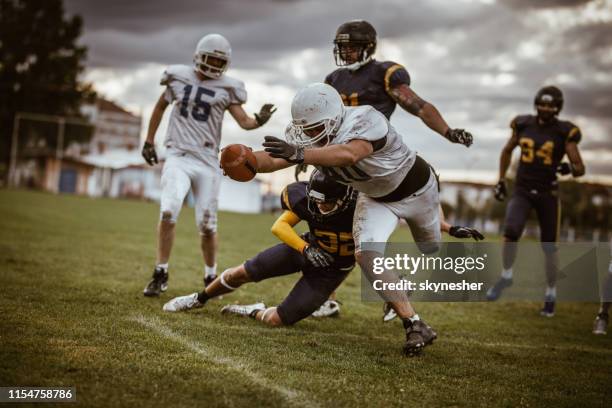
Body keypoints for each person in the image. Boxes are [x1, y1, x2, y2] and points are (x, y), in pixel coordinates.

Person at [256, 83, 475, 355]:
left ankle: (401, 282)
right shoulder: (316, 139)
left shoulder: (365, 118)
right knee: (365, 254)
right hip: (374, 198)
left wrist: (300, 153)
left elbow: (350, 153)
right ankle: (415, 324)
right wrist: (243, 161)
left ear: (334, 117)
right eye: (307, 130)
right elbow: (273, 159)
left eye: (314, 128)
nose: (310, 136)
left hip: (417, 192)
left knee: (430, 248)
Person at [311, 20, 482, 320]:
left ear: (368, 47)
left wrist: (448, 132)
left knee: (363, 241)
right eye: (342, 48)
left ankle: (392, 290)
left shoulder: (384, 74)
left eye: (351, 47)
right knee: (327, 226)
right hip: (340, 158)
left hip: (373, 159)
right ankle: (329, 299)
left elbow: (419, 106)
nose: (346, 53)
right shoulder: (333, 79)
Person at [141, 33, 276, 297]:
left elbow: (244, 122)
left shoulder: (228, 88)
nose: (214, 65)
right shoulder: (177, 77)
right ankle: (161, 272)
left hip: (206, 161)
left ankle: (210, 275)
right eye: (210, 58)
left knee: (207, 225)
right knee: (168, 211)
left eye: (219, 60)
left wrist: (259, 119)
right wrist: (148, 140)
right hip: (178, 155)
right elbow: (159, 108)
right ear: (198, 56)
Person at [163, 170, 356, 329]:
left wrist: (387, 297)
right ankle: (199, 298)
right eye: (317, 200)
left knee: (276, 320)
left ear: (344, 199)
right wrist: (305, 249)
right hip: (305, 249)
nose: (320, 205)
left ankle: (254, 310)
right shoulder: (309, 200)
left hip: (331, 271)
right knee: (242, 272)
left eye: (327, 201)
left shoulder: (361, 210)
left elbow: (372, 254)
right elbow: (279, 226)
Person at [487, 86, 585, 317]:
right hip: (522, 190)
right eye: (543, 103)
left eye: (551, 105)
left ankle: (551, 293)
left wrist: (570, 168)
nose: (546, 108)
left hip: (547, 193)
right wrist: (501, 179)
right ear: (536, 103)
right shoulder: (523, 124)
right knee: (510, 231)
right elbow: (506, 151)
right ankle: (506, 276)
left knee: (549, 247)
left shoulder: (564, 132)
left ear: (558, 107)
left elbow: (581, 167)